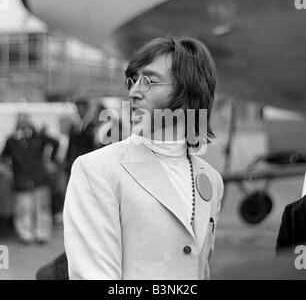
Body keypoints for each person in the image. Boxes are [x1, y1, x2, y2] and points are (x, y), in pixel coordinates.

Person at [64, 36, 224, 280]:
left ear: (189, 89)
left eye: (149, 81)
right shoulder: (96, 170)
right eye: (133, 80)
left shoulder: (211, 180)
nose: (134, 91)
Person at [0, 113, 59, 244]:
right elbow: (4, 157)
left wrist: (51, 160)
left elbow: (55, 142)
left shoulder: (39, 137)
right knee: (23, 208)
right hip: (22, 179)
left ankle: (42, 233)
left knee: (42, 207)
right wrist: (8, 169)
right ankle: (25, 234)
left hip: (39, 178)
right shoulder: (12, 140)